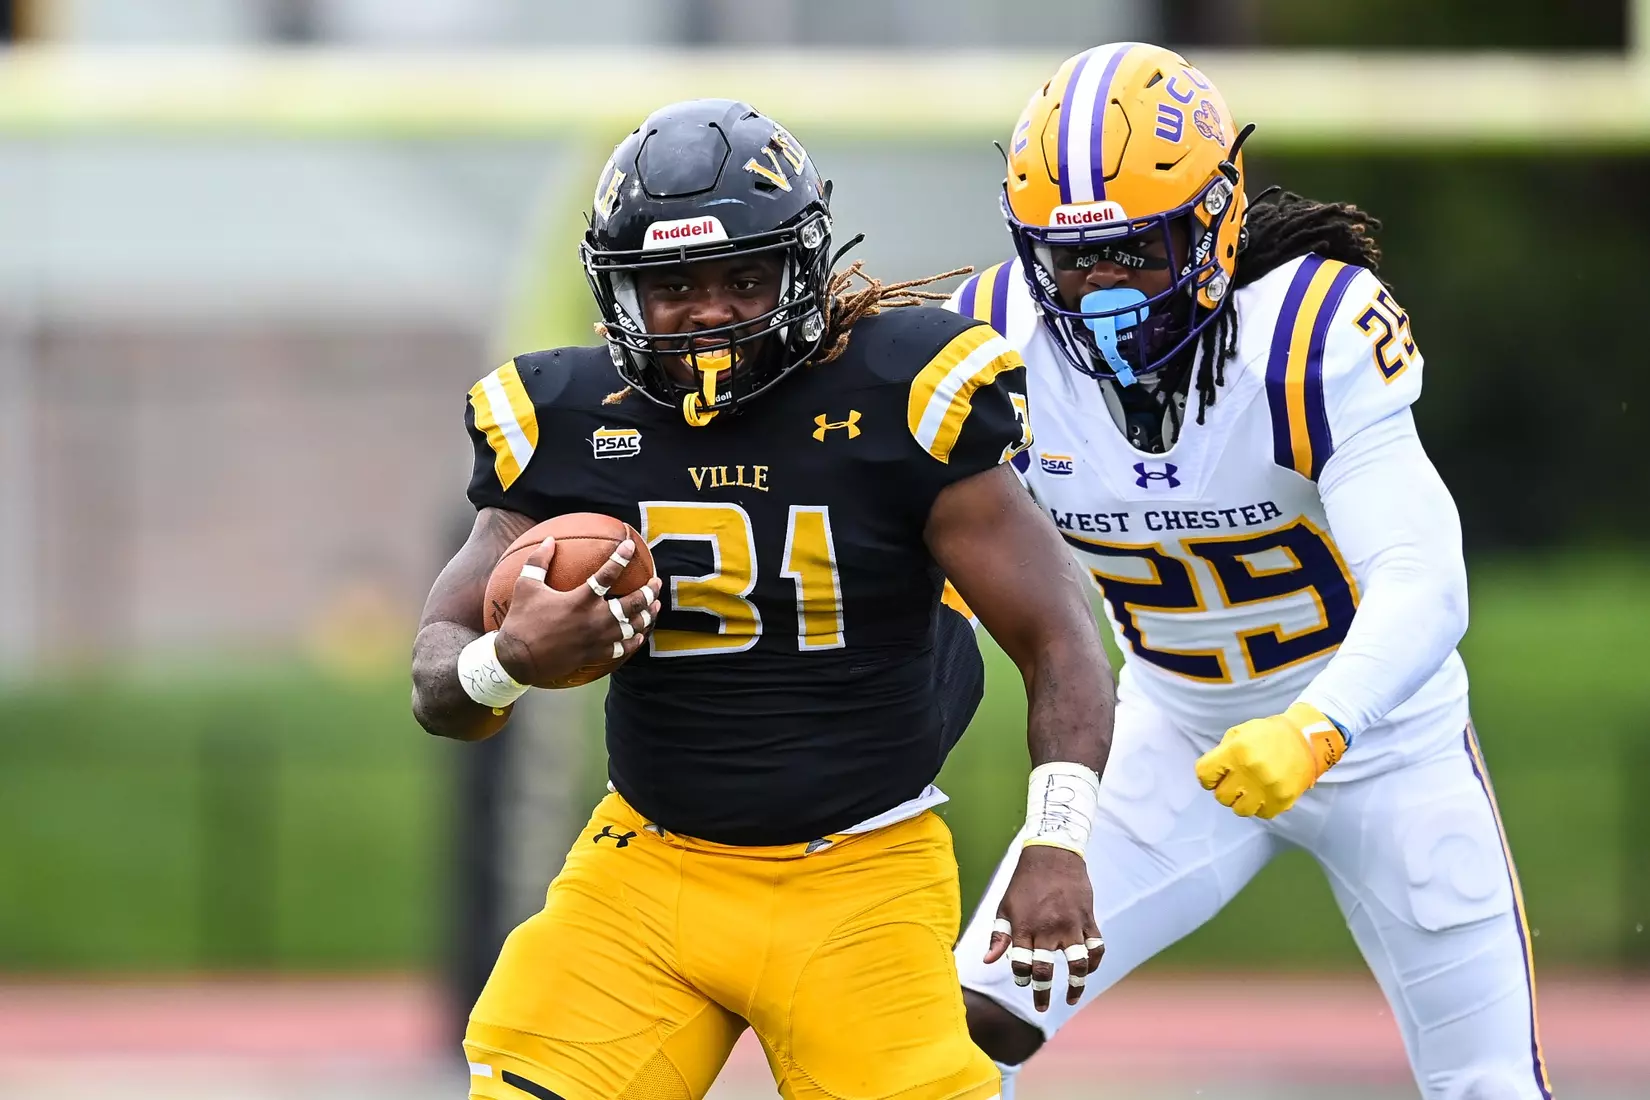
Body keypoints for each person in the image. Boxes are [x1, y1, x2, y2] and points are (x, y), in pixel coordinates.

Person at [410, 98, 1118, 1100]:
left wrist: (1056, 835)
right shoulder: (568, 419)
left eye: (745, 279)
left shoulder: (901, 390)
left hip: (860, 874)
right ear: (619, 294)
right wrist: (507, 660)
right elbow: (437, 677)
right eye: (674, 285)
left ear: (801, 268)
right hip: (648, 870)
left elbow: (1057, 636)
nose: (710, 312)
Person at [947, 43, 1550, 1100]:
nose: (1099, 292)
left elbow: (1425, 576)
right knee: (971, 1023)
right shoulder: (996, 338)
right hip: (1173, 730)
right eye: (1071, 258)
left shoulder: (1308, 332)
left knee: (1489, 1083)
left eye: (1136, 251)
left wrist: (1321, 724)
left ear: (1216, 219)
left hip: (1385, 746)